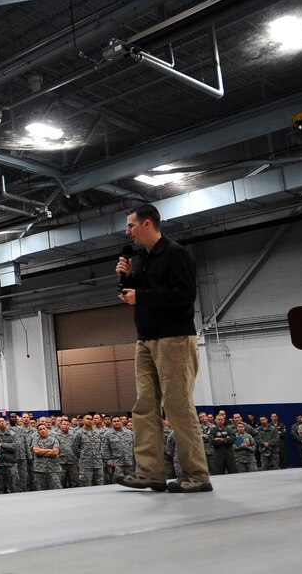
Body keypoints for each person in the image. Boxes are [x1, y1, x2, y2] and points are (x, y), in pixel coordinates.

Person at [114, 204, 212, 493]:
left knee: (178, 406)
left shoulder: (176, 253)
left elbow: (184, 295)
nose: (127, 231)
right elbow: (142, 294)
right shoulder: (141, 259)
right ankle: (149, 472)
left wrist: (140, 296)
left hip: (174, 338)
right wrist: (129, 278)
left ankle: (196, 475)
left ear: (147, 224)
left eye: (131, 225)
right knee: (144, 406)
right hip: (145, 338)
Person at [30, 422, 61, 491]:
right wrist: (50, 450)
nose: (42, 430)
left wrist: (42, 452)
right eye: (40, 429)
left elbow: (55, 452)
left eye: (44, 428)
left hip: (53, 469)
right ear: (38, 432)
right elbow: (36, 451)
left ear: (47, 430)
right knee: (40, 490)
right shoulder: (35, 440)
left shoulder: (54, 440)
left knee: (56, 489)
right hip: (39, 470)